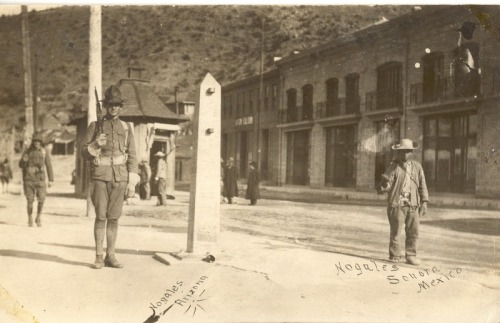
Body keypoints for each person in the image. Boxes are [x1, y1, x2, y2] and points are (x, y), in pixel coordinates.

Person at [82, 84, 139, 269]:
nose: (113, 108)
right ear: (105, 106)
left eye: (117, 104)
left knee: (114, 218)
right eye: (110, 104)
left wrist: (132, 182)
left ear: (121, 106)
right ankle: (99, 256)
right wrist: (95, 144)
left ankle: (110, 256)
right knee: (101, 217)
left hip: (120, 178)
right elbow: (83, 153)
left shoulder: (127, 127)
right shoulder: (95, 126)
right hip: (100, 177)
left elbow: (132, 155)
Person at [379, 138, 429, 266]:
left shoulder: (417, 167)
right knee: (396, 231)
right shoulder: (393, 166)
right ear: (399, 153)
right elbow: (387, 185)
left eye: (408, 151)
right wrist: (385, 182)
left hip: (413, 204)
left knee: (413, 231)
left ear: (411, 152)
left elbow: (422, 184)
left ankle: (411, 255)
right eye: (402, 152)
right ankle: (395, 255)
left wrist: (424, 201)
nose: (405, 154)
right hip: (397, 204)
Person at [18, 133, 54, 227]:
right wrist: (24, 161)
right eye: (35, 141)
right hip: (29, 179)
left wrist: (51, 179)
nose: (36, 143)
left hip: (41, 179)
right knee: (30, 200)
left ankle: (38, 217)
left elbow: (48, 165)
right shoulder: (27, 151)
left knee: (41, 199)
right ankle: (30, 218)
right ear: (32, 142)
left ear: (41, 142)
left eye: (38, 141)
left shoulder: (44, 151)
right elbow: (21, 165)